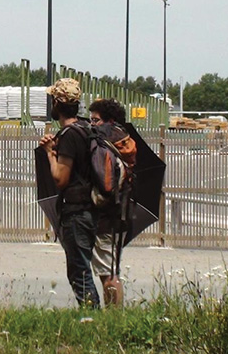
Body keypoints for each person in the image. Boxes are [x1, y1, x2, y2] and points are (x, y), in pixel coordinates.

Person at [40, 78, 101, 308]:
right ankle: (93, 315)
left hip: (76, 212)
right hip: (89, 210)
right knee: (81, 268)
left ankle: (92, 318)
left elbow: (61, 178)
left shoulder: (69, 134)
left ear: (57, 102)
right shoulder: (86, 128)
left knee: (79, 272)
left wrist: (49, 153)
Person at [88, 97, 129, 307]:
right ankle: (115, 314)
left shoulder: (105, 143)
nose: (92, 124)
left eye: (95, 120)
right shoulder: (123, 141)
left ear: (109, 121)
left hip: (106, 217)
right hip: (120, 213)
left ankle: (114, 316)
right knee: (111, 269)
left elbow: (105, 185)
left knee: (108, 273)